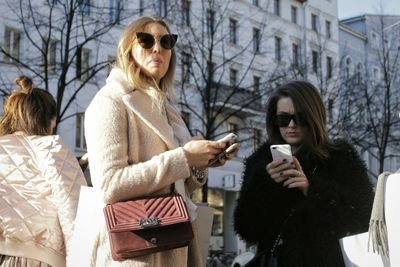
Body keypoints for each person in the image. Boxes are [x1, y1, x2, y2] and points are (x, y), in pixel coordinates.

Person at [82, 16, 237, 267]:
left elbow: (176, 184)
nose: (157, 48)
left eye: (166, 41)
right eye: (146, 40)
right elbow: (109, 185)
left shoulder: (167, 108)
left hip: (175, 242)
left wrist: (201, 162)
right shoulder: (110, 101)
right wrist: (184, 157)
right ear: (128, 50)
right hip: (137, 252)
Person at [233, 81, 374, 267]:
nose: (291, 125)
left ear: (313, 116)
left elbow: (364, 215)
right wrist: (266, 184)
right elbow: (246, 229)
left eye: (300, 118)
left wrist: (311, 188)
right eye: (283, 119)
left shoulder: (338, 156)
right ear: (274, 120)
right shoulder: (260, 162)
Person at [0, 76, 86, 267]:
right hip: (41, 255)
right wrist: (79, 259)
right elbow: (71, 205)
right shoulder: (52, 147)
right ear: (51, 120)